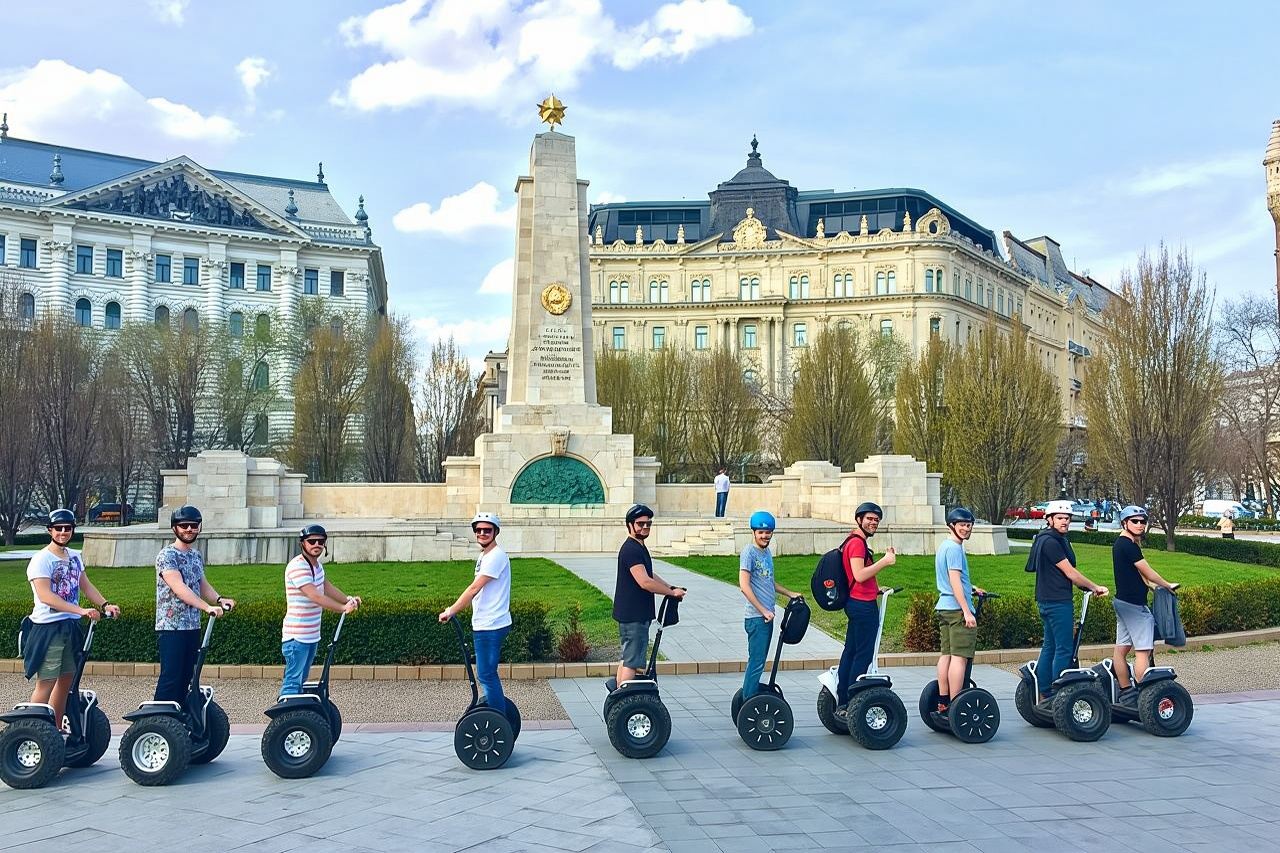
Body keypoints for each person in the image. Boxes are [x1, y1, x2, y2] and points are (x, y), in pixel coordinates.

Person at [22, 509, 121, 729]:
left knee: (66, 680)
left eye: (68, 528)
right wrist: (80, 611)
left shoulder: (75, 557)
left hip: (69, 625)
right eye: (59, 528)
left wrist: (105, 604)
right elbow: (46, 596)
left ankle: (55, 729)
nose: (63, 532)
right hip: (48, 628)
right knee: (46, 681)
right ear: (50, 530)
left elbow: (85, 585)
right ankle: (32, 731)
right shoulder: (41, 559)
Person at [154, 505, 235, 704]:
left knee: (187, 678)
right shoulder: (167, 556)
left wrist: (218, 599)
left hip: (192, 625)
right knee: (171, 677)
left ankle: (179, 722)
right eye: (184, 526)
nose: (189, 529)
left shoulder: (195, 555)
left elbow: (202, 584)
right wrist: (206, 608)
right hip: (171, 627)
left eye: (193, 525)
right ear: (175, 528)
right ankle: (158, 720)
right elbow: (178, 587)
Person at [1032, 500, 1108, 703]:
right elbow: (1070, 572)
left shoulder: (1046, 538)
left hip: (1046, 599)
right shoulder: (1051, 542)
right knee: (1064, 648)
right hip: (1057, 602)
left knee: (1050, 646)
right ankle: (1059, 694)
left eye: (1067, 518)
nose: (1064, 521)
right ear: (1049, 520)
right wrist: (1094, 587)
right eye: (1059, 518)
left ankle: (1045, 691)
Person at [440, 512, 513, 713]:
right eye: (478, 530)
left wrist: (450, 611)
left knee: (487, 675)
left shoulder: (495, 556)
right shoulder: (485, 555)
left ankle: (499, 720)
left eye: (487, 530)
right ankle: (499, 716)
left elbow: (473, 589)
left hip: (490, 625)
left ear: (495, 532)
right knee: (487, 674)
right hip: (487, 622)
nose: (482, 533)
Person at [280, 524, 360, 699]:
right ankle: (287, 722)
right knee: (293, 682)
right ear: (303, 543)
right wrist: (342, 609)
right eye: (312, 541)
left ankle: (298, 720)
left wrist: (348, 599)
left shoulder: (317, 567)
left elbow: (326, 588)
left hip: (311, 635)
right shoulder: (297, 566)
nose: (317, 544)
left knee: (301, 679)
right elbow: (315, 596)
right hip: (296, 636)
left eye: (321, 541)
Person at [834, 502, 896, 720]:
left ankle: (842, 701)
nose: (873, 523)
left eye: (876, 520)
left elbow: (857, 577)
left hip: (858, 601)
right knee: (863, 654)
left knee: (851, 652)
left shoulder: (853, 541)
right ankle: (852, 703)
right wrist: (885, 562)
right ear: (859, 519)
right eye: (869, 518)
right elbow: (859, 575)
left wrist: (875, 589)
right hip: (862, 607)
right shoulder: (857, 544)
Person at [1112, 506, 1179, 704]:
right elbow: (1147, 570)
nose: (1140, 525)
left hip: (1122, 602)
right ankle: (1145, 696)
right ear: (1125, 523)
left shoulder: (1122, 544)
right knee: (1143, 651)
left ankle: (1126, 692)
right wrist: (1167, 585)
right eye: (1135, 521)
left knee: (1121, 649)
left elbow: (1138, 574)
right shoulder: (1129, 546)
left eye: (1142, 521)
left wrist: (1149, 586)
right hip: (1134, 606)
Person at [613, 505, 686, 685]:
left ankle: (618, 699)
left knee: (628, 657)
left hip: (634, 613)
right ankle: (624, 703)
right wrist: (670, 593)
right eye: (640, 524)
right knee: (632, 661)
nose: (645, 527)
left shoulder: (639, 547)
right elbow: (644, 582)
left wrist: (670, 587)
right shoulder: (631, 549)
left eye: (648, 524)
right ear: (630, 525)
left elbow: (649, 574)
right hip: (633, 615)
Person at [739, 511, 800, 700]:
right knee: (756, 662)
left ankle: (749, 698)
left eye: (768, 532)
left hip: (766, 617)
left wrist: (790, 593)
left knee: (759, 661)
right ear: (754, 532)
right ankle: (749, 702)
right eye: (761, 532)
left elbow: (769, 581)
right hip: (757, 618)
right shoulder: (749, 552)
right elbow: (744, 586)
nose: (765, 536)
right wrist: (762, 610)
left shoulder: (766, 553)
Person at [932, 507, 985, 717]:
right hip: (956, 610)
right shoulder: (954, 548)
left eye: (968, 525)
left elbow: (951, 579)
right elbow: (954, 580)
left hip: (944, 607)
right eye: (961, 525)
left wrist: (971, 588)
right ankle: (956, 706)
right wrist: (967, 611)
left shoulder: (945, 546)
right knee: (959, 658)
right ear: (952, 526)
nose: (966, 529)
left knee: (946, 655)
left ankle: (943, 702)